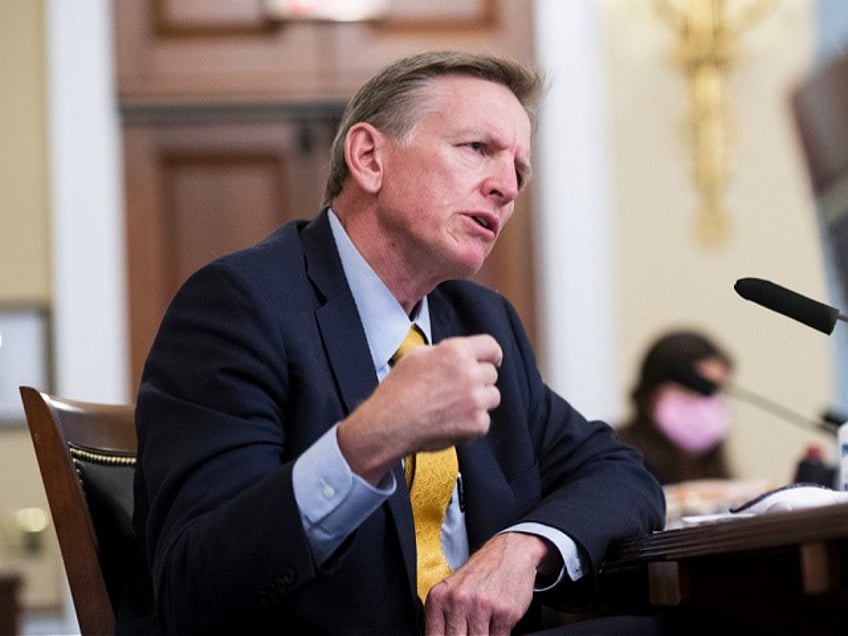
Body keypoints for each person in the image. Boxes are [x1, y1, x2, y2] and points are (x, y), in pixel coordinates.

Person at [119, 51, 665, 635]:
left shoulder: (483, 322)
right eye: (477, 149)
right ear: (369, 158)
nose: (506, 187)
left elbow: (620, 473)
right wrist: (369, 442)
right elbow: (193, 585)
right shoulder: (239, 306)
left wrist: (523, 547)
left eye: (520, 171)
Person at [616, 329, 735, 485]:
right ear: (653, 388)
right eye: (694, 388)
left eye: (713, 390)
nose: (702, 402)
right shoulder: (618, 457)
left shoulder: (710, 462)